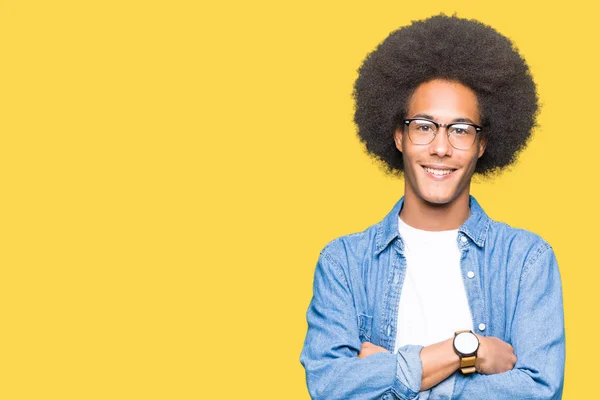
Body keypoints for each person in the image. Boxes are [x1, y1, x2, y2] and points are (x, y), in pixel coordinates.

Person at [300, 14, 565, 400]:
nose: (441, 147)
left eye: (460, 129)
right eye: (424, 125)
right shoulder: (344, 263)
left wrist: (395, 375)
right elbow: (329, 386)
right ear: (399, 135)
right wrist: (465, 351)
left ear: (482, 144)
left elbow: (539, 391)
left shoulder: (526, 261)